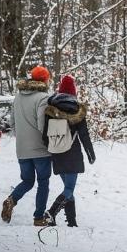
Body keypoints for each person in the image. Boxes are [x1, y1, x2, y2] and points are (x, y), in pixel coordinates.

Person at [1, 65, 53, 226]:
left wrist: (22, 137)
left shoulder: (18, 97)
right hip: (40, 149)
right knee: (43, 182)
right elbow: (42, 124)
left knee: (28, 181)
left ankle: (12, 199)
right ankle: (38, 218)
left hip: (22, 149)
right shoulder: (43, 98)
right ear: (45, 80)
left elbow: (12, 123)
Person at [42, 74, 95, 227]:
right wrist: (90, 153)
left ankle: (72, 222)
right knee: (69, 189)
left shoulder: (51, 108)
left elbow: (45, 134)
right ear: (74, 91)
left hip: (57, 152)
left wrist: (49, 148)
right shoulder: (77, 110)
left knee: (68, 189)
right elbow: (84, 135)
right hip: (72, 153)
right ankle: (51, 212)